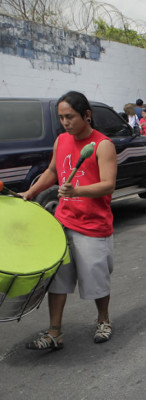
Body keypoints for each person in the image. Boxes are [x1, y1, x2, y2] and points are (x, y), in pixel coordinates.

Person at [21, 91, 117, 349]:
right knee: (58, 279)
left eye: (70, 116)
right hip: (63, 221)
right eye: (61, 117)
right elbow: (53, 171)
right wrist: (31, 192)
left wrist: (77, 191)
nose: (65, 122)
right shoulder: (61, 140)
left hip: (93, 225)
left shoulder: (103, 145)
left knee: (96, 280)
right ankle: (55, 333)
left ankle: (103, 320)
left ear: (87, 115)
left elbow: (108, 185)